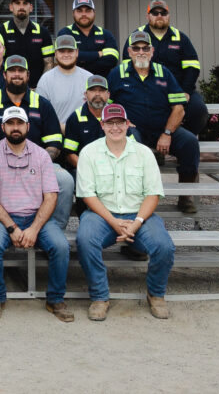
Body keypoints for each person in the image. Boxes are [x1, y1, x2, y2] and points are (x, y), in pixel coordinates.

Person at [75, 102, 175, 321]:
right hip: (102, 215)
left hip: (138, 216)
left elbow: (153, 194)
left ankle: (156, 294)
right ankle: (100, 297)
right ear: (101, 125)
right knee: (85, 239)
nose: (115, 128)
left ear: (128, 124)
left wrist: (136, 222)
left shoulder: (144, 153)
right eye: (110, 123)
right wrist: (113, 222)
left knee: (164, 246)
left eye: (119, 122)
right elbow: (87, 195)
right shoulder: (89, 153)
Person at [0, 105, 73, 322]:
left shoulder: (41, 155)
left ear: (28, 126)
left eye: (19, 123)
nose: (15, 128)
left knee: (60, 246)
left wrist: (33, 229)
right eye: (10, 123)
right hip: (4, 218)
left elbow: (50, 196)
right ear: (3, 127)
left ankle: (55, 299)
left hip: (35, 217)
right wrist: (12, 227)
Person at [0, 55, 72, 229]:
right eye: (12, 71)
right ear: (4, 75)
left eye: (21, 71)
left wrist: (38, 162)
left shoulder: (41, 103)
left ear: (28, 75)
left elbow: (54, 142)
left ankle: (55, 229)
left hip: (38, 164)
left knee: (65, 180)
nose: (16, 74)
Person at [106, 30, 201, 214]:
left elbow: (179, 108)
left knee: (190, 142)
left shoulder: (163, 73)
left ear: (152, 51)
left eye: (145, 48)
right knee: (131, 141)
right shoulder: (117, 74)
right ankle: (136, 198)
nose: (141, 52)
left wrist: (167, 133)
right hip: (133, 129)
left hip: (162, 129)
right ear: (129, 52)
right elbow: (107, 107)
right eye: (136, 48)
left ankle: (185, 196)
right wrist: (121, 121)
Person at [136, 0, 208, 135]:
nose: (159, 16)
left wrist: (186, 91)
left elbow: (192, 67)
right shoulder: (137, 36)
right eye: (154, 13)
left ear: (168, 16)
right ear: (148, 16)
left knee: (199, 111)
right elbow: (130, 66)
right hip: (149, 89)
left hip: (180, 89)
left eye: (163, 13)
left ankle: (185, 137)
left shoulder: (180, 38)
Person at [37, 34, 92, 133]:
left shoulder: (89, 78)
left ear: (77, 52)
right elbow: (41, 114)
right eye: (62, 51)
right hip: (57, 136)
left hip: (87, 135)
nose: (66, 55)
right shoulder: (46, 80)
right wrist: (67, 130)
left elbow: (99, 111)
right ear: (55, 53)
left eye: (70, 51)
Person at [0, 0, 54, 85]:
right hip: (9, 89)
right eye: (17, 3)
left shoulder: (43, 32)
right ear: (11, 7)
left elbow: (49, 63)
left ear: (31, 7)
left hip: (36, 90)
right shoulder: (0, 32)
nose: (21, 7)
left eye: (25, 3)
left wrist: (41, 86)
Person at [57, 0, 120, 76]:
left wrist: (82, 64)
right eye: (79, 11)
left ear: (94, 12)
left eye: (88, 11)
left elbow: (112, 60)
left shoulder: (106, 34)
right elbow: (66, 58)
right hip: (73, 82)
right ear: (73, 13)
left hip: (100, 85)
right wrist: (98, 54)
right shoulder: (65, 33)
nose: (84, 14)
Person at [62, 75, 112, 171]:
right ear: (85, 94)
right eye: (93, 90)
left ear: (108, 95)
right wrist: (90, 170)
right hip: (85, 169)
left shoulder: (116, 115)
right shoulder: (75, 118)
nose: (97, 94)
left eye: (101, 90)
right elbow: (70, 154)